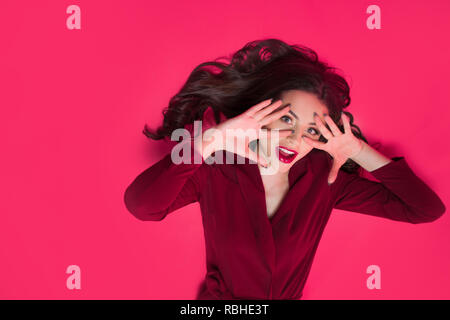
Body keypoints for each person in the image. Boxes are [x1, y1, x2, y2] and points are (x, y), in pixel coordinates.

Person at [123, 38, 446, 300]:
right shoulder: (218, 168)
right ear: (259, 113)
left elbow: (424, 210)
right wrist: (207, 143)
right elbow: (143, 206)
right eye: (287, 119)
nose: (294, 138)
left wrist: (357, 151)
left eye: (311, 129)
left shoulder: (326, 180)